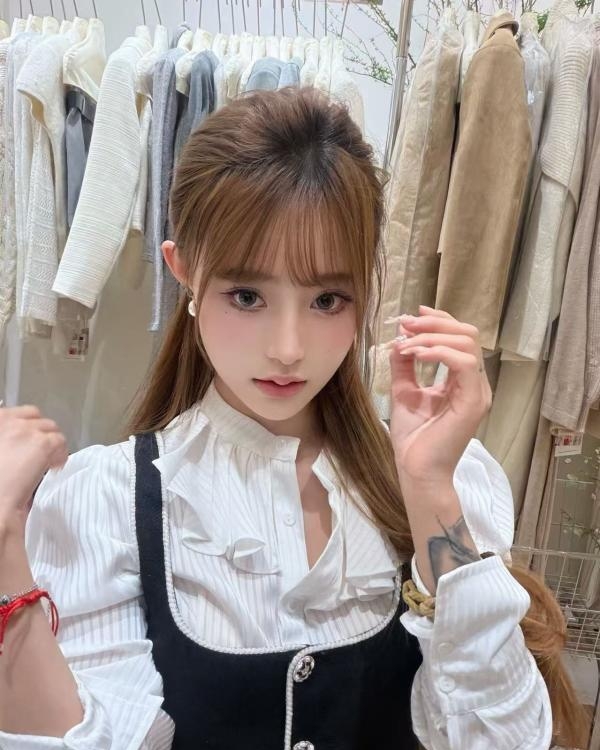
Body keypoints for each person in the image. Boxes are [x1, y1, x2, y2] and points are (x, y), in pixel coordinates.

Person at [0, 87, 587, 750]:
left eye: (327, 299)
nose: (288, 348)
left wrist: (429, 492)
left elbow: (504, 739)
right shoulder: (108, 501)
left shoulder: (438, 476)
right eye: (247, 295)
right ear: (183, 271)